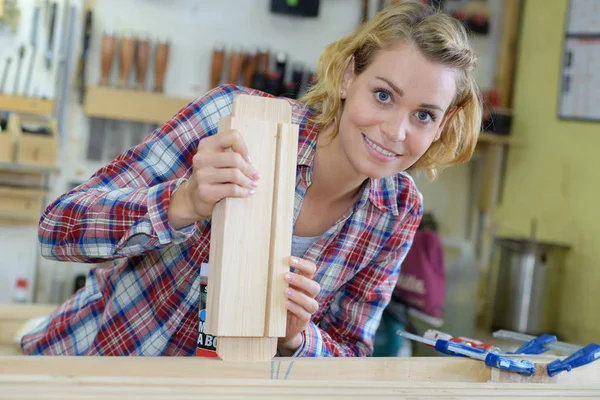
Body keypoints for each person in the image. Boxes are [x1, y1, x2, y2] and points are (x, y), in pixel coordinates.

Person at [21, 2, 481, 357]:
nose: (395, 132)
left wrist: (297, 339)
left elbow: (352, 351)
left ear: (443, 124)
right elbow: (55, 229)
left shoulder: (399, 209)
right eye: (383, 95)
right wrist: (181, 203)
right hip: (89, 365)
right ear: (346, 78)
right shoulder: (234, 121)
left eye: (424, 115)